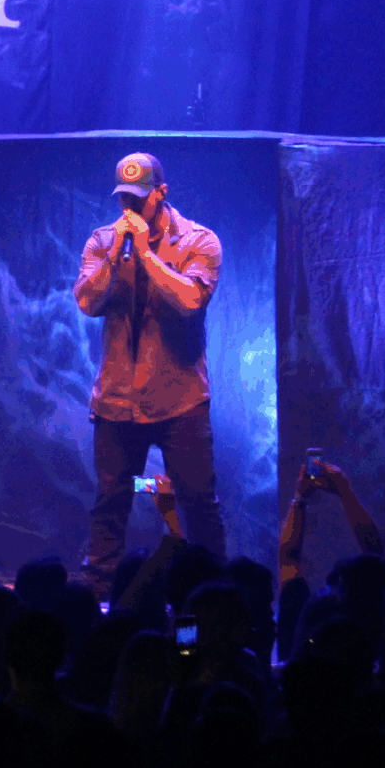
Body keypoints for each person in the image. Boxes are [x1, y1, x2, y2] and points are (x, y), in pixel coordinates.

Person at [73, 150, 225, 596]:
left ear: (162, 192)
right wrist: (117, 257)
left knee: (198, 502)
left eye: (140, 198)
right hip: (117, 400)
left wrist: (145, 255)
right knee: (110, 502)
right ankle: (101, 598)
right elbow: (87, 302)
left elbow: (190, 301)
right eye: (125, 198)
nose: (131, 207)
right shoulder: (103, 241)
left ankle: (213, 594)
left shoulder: (200, 241)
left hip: (180, 399)